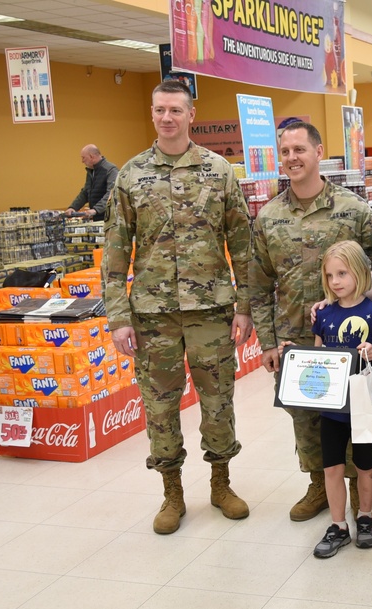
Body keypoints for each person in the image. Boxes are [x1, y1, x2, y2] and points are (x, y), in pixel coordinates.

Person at [102, 79, 252, 535]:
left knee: (218, 402)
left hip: (211, 312)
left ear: (191, 116)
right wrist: (117, 318)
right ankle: (171, 493)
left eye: (175, 110)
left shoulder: (218, 171)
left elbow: (243, 245)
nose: (166, 117)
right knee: (160, 406)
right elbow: (114, 251)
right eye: (159, 110)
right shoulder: (130, 175)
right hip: (152, 316)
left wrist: (244, 307)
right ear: (153, 114)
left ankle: (221, 484)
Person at [250, 121, 372, 522]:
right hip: (295, 340)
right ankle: (318, 486)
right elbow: (258, 284)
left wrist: (367, 306)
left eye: (300, 150)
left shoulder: (352, 209)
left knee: (352, 413)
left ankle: (360, 495)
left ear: (318, 151)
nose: (292, 158)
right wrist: (268, 342)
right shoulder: (269, 216)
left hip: (347, 339)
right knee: (307, 417)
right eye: (285, 152)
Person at [300, 240, 372, 558]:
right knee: (332, 468)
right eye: (329, 275)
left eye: (342, 273)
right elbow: (315, 357)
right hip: (332, 408)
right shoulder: (323, 314)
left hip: (364, 405)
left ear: (359, 273)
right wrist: (297, 357)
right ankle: (338, 524)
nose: (335, 281)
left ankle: (365, 517)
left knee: (365, 466)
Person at [66, 144, 119, 221]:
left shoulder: (111, 170)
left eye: (83, 158)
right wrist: (73, 207)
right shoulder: (91, 171)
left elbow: (112, 193)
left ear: (91, 156)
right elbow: (85, 193)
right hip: (97, 217)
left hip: (110, 219)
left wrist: (96, 210)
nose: (82, 161)